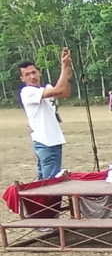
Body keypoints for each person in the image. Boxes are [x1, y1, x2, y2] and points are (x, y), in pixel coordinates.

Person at [18, 49, 73, 180]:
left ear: (39, 72)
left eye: (34, 72)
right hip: (47, 142)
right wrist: (64, 67)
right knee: (51, 185)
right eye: (27, 74)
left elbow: (64, 92)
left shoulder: (44, 89)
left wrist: (67, 72)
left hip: (50, 141)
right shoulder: (27, 92)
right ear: (22, 78)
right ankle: (50, 201)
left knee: (43, 183)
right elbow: (58, 89)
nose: (32, 76)